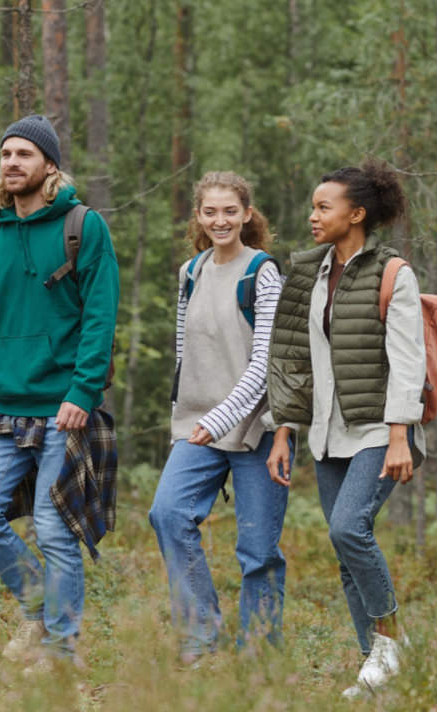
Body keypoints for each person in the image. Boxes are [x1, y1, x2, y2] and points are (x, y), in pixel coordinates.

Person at [0, 114, 119, 669]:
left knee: (53, 527)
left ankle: (62, 650)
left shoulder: (82, 226)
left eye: (25, 154)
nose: (12, 163)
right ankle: (40, 611)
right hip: (3, 409)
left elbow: (100, 316)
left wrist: (83, 390)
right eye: (6, 154)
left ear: (49, 164)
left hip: (63, 409)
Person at [266, 161, 425, 697]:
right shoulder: (309, 271)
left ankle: (393, 638)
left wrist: (401, 433)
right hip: (328, 430)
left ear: (356, 214)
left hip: (380, 427)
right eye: (313, 206)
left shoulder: (393, 273)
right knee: (344, 552)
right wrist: (285, 428)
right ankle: (374, 669)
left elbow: (409, 361)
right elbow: (292, 357)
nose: (312, 216)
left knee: (347, 528)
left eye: (323, 207)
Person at [148, 172, 288, 665]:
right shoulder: (191, 272)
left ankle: (258, 657)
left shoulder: (263, 273)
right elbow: (186, 355)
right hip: (198, 426)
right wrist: (181, 422)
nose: (220, 220)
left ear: (247, 214)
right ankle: (199, 639)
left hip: (256, 429)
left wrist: (221, 418)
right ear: (199, 217)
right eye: (210, 212)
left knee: (257, 551)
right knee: (167, 513)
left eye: (230, 211)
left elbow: (264, 362)